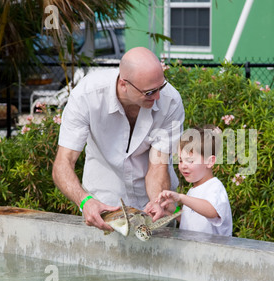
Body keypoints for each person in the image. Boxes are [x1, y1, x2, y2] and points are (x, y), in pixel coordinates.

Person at [52, 47, 185, 232]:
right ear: (124, 84)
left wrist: (158, 204)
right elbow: (63, 164)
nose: (157, 97)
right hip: (103, 209)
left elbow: (158, 166)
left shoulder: (170, 101)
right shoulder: (86, 96)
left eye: (160, 87)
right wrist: (85, 202)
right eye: (149, 92)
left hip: (151, 211)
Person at [156, 126, 232, 236]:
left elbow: (212, 211)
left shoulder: (215, 187)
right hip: (194, 250)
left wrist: (181, 197)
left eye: (190, 161)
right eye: (181, 160)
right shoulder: (193, 190)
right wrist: (172, 210)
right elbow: (190, 222)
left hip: (213, 252)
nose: (183, 166)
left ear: (210, 162)